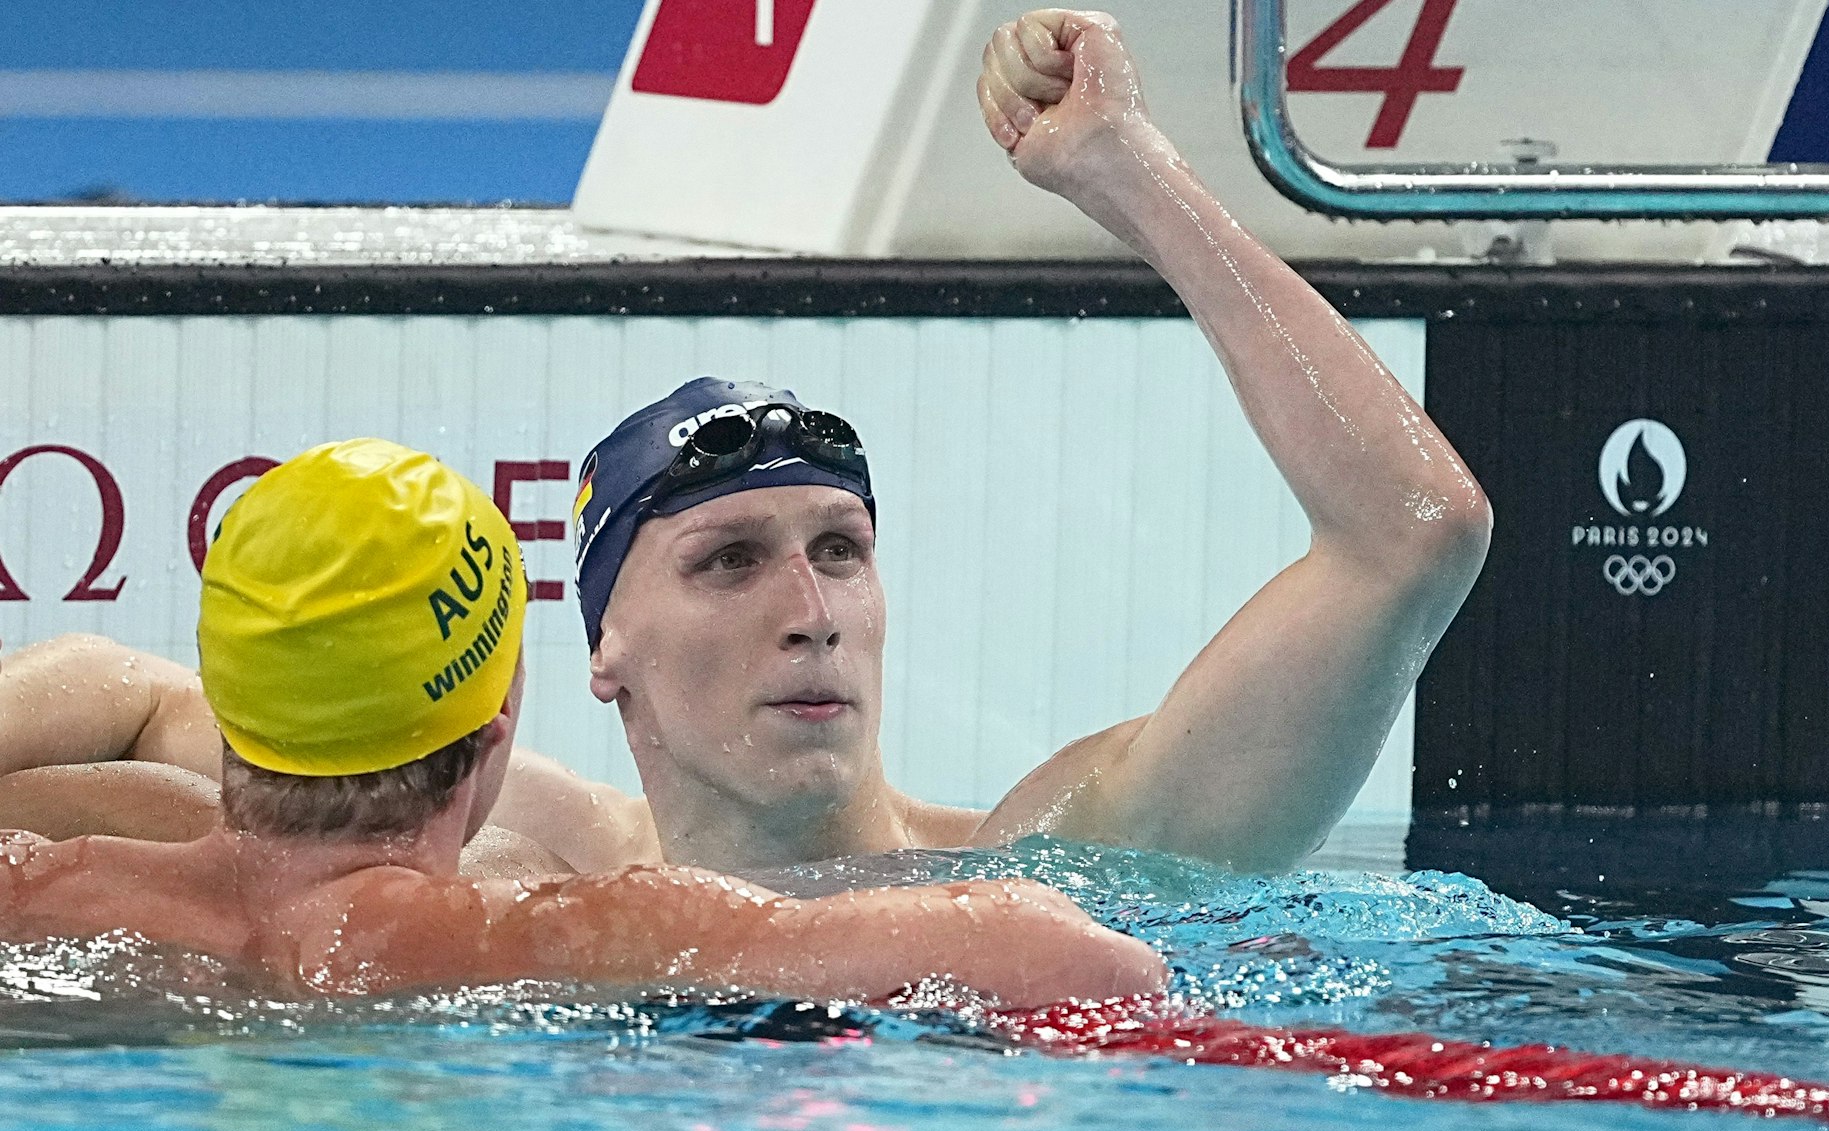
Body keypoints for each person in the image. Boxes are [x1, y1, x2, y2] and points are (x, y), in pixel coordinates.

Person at [559, 9, 1491, 874]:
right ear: (609, 643)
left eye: (840, 551)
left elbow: (1412, 533)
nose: (814, 612)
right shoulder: (526, 876)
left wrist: (1125, 170)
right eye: (729, 560)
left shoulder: (1043, 874)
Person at [0, 439, 1165, 1004]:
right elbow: (1073, 955)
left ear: (232, 700)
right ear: (498, 712)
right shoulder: (550, 936)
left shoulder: (37, 886)